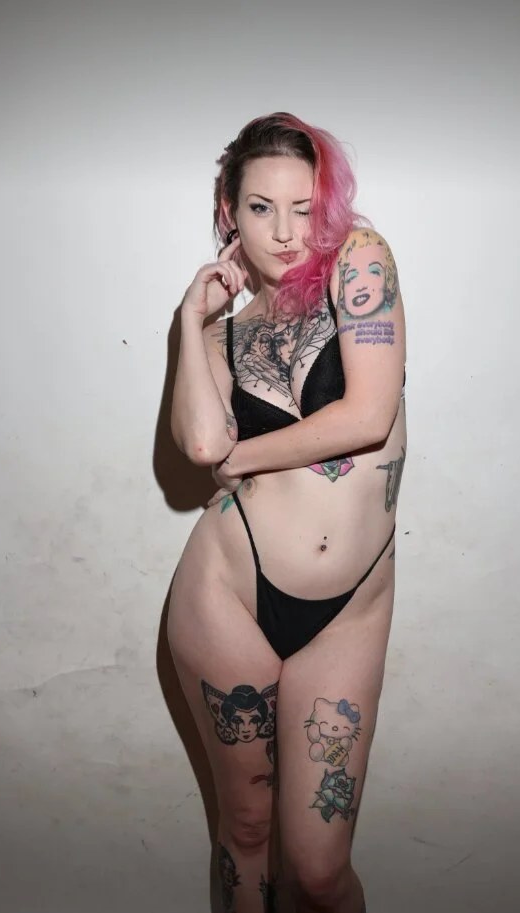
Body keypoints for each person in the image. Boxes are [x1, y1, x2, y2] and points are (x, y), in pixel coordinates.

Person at [167, 111, 407, 913]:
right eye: (261, 207)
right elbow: (203, 442)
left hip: (347, 610)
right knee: (244, 828)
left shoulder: (360, 262)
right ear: (229, 211)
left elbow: (366, 415)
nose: (284, 231)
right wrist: (190, 319)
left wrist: (242, 459)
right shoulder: (223, 334)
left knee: (318, 870)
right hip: (226, 595)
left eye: (304, 208)